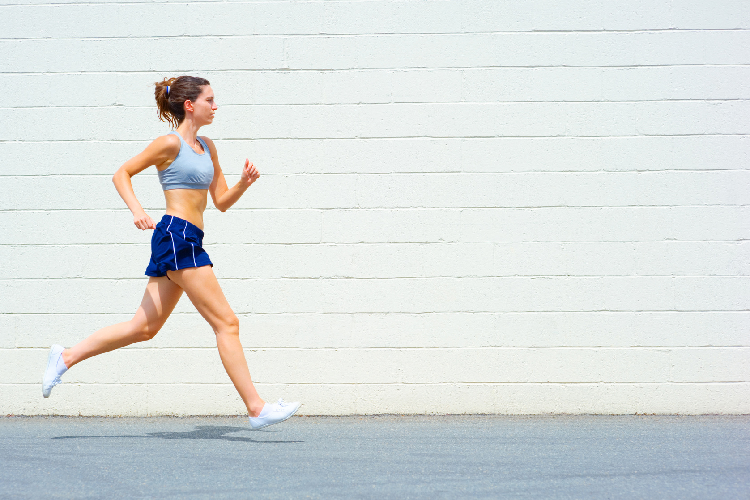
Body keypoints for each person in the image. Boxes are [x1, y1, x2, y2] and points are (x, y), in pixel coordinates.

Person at [41, 75, 300, 430]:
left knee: (143, 327)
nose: (216, 106)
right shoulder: (169, 143)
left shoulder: (208, 146)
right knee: (227, 322)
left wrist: (243, 183)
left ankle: (66, 357)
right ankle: (256, 408)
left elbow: (220, 202)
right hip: (177, 237)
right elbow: (122, 174)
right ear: (190, 105)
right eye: (210, 100)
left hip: (187, 238)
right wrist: (137, 211)